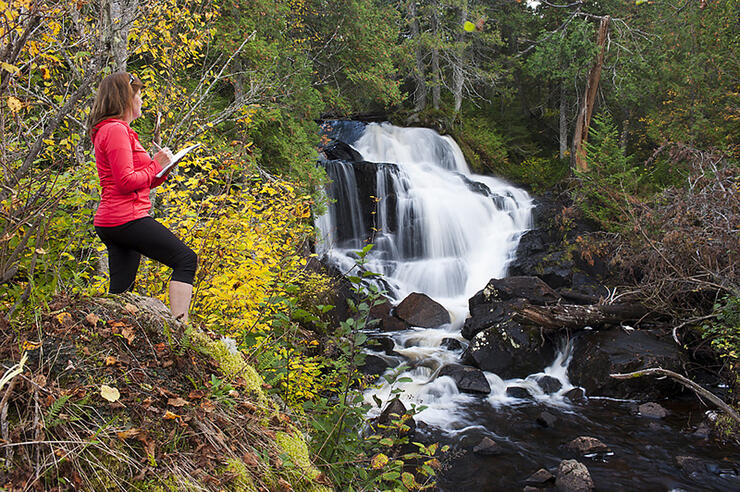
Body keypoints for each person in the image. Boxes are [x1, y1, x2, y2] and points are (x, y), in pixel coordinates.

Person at [88, 72, 197, 322]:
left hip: (115, 220)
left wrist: (163, 167)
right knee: (186, 259)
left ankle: (103, 331)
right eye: (139, 95)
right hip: (125, 218)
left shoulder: (116, 130)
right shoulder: (115, 130)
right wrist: (154, 165)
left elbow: (143, 179)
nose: (141, 101)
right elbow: (126, 182)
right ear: (126, 98)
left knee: (121, 289)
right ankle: (180, 328)